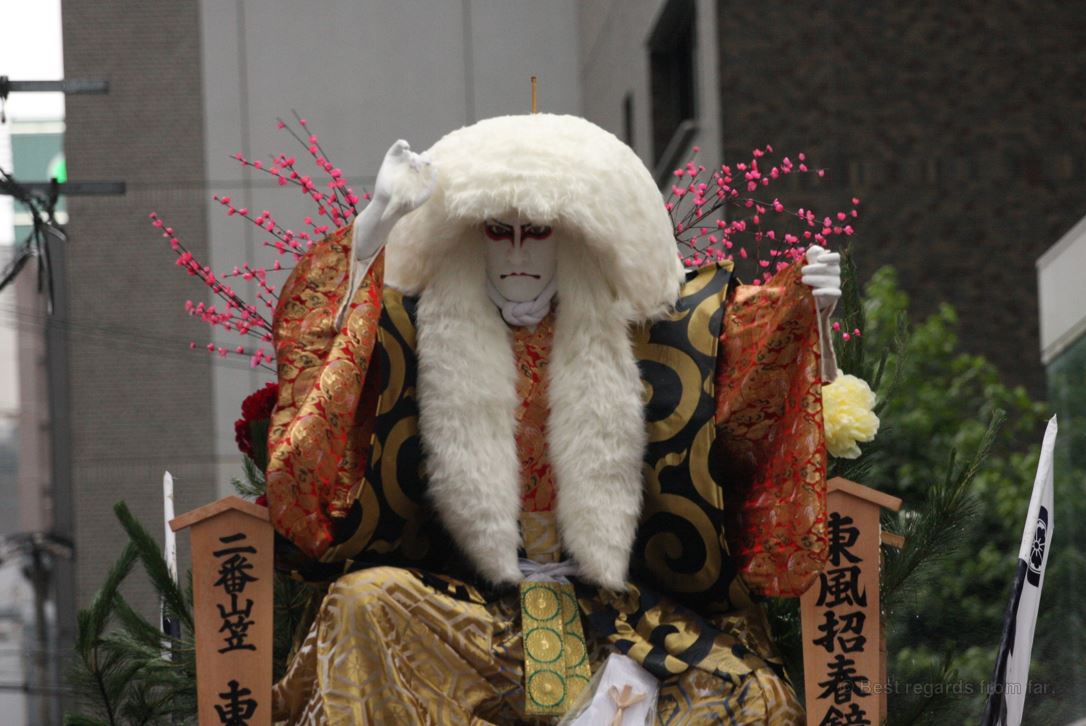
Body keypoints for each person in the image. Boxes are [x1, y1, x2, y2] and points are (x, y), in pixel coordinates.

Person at [267, 113, 840, 724]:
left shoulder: (651, 329)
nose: (516, 251)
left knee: (758, 702)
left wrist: (810, 307)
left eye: (536, 230)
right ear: (470, 236)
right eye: (497, 230)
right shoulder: (410, 328)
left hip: (618, 616)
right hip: (467, 613)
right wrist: (374, 223)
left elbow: (754, 360)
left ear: (572, 235)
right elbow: (322, 353)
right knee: (363, 604)